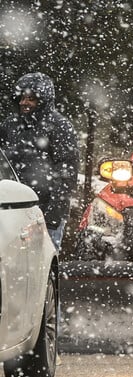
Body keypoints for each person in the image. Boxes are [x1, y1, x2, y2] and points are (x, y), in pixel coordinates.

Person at [0, 72, 79, 251]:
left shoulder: (59, 127)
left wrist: (53, 215)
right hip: (13, 210)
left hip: (44, 211)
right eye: (21, 97)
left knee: (44, 263)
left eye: (30, 98)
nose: (24, 102)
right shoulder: (10, 125)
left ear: (43, 101)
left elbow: (67, 171)